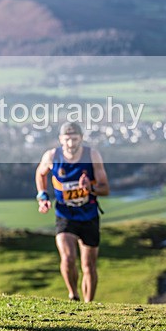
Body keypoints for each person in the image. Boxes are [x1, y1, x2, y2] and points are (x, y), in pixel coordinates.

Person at [35, 121, 110, 302]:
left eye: (74, 139)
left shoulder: (92, 156)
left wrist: (89, 188)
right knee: (68, 258)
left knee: (88, 265)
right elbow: (40, 173)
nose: (71, 143)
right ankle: (73, 295)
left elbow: (105, 189)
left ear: (81, 139)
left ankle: (88, 304)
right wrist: (42, 196)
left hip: (89, 214)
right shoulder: (52, 156)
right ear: (61, 139)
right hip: (65, 214)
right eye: (67, 139)